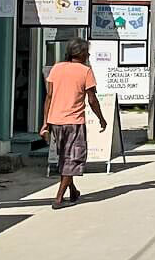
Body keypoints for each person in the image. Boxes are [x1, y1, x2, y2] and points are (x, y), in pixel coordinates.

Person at [40, 38, 107, 210]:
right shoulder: (85, 71)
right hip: (74, 122)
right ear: (82, 53)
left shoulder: (57, 68)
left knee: (65, 158)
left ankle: (73, 190)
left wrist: (45, 123)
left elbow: (49, 97)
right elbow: (92, 99)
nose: (89, 55)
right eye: (87, 52)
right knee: (73, 159)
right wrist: (101, 118)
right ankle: (59, 198)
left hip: (55, 122)